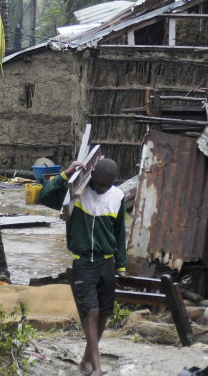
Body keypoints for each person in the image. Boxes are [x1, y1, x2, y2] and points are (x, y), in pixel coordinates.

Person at [38, 157, 126, 376]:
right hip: (84, 262)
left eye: (108, 184)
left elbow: (120, 232)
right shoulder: (76, 192)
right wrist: (66, 174)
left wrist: (121, 265)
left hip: (107, 262)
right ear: (92, 175)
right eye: (100, 183)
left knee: (104, 312)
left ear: (114, 182)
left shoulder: (118, 196)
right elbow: (44, 196)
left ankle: (87, 362)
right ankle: (96, 368)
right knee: (91, 311)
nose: (103, 188)